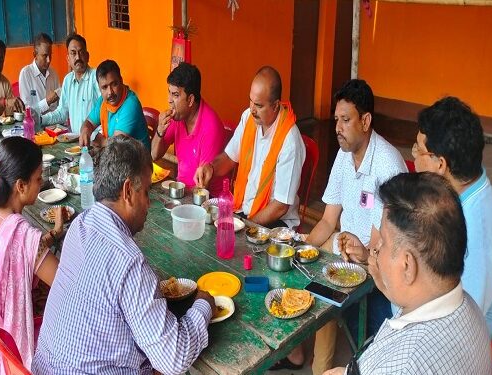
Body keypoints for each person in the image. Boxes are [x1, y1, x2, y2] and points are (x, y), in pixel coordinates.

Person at [32, 135, 215, 374]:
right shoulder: (129, 262)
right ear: (128, 191)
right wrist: (204, 305)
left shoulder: (80, 225)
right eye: (147, 192)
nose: (149, 204)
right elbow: (174, 359)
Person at [276, 79, 407, 373]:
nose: (337, 127)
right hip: (343, 252)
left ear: (366, 120)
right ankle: (310, 360)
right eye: (336, 120)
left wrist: (362, 252)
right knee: (296, 269)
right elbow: (326, 220)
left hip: (375, 264)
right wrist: (299, 247)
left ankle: (320, 366)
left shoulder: (387, 165)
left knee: (325, 294)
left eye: (345, 120)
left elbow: (379, 246)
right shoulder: (344, 156)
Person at [324, 172, 492, 375]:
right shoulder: (467, 307)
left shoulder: (404, 365)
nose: (376, 249)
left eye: (383, 241)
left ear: (407, 265)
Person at [412, 96, 492, 365]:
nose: (413, 158)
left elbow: (459, 323)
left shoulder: (479, 230)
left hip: (460, 355)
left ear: (440, 164)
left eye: (417, 151)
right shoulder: (463, 196)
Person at [0, 137, 67, 373]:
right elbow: (66, 285)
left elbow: (6, 253)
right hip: (6, 352)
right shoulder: (22, 235)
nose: (41, 184)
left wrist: (54, 234)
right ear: (21, 185)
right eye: (38, 179)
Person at [194, 66, 305, 228]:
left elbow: (281, 206)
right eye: (250, 101)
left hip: (274, 221)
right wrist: (210, 168)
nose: (252, 109)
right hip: (243, 210)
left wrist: (246, 225)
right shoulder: (248, 118)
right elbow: (230, 157)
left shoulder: (290, 140)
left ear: (275, 106)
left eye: (259, 105)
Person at [151, 62, 228, 196]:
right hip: (182, 191)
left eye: (175, 95)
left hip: (207, 200)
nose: (169, 100)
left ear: (190, 100)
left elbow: (202, 188)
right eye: (169, 93)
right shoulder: (178, 117)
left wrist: (175, 193)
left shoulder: (211, 127)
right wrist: (159, 131)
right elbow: (154, 155)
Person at [78, 59, 150, 149]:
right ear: (99, 88)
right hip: (118, 156)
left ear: (121, 81)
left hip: (137, 160)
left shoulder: (131, 104)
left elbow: (117, 143)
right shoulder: (103, 102)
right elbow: (89, 122)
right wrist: (85, 130)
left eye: (114, 84)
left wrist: (103, 141)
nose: (110, 92)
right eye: (104, 87)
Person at [41, 33, 101, 134]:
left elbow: (106, 112)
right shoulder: (68, 80)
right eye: (73, 53)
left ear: (87, 56)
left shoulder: (96, 77)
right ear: (68, 59)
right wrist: (41, 119)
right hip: (75, 143)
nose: (78, 57)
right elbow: (62, 113)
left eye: (81, 52)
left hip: (96, 142)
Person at [18, 33, 61, 118]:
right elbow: (27, 111)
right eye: (45, 56)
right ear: (35, 55)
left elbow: (60, 104)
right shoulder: (26, 74)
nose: (48, 60)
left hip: (55, 123)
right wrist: (47, 102)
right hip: (36, 124)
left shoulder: (53, 73)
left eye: (50, 55)